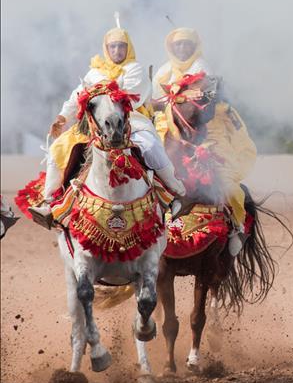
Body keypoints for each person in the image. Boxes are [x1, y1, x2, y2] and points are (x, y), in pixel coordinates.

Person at [28, 25, 184, 227]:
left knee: (150, 146)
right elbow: (78, 97)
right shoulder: (94, 72)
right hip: (95, 123)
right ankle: (50, 203)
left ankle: (175, 193)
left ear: (128, 48)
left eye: (121, 46)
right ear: (106, 48)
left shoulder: (135, 69)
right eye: (113, 47)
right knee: (58, 148)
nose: (117, 51)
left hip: (131, 120)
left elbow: (132, 98)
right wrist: (63, 117)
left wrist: (102, 93)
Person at [153, 27, 257, 256]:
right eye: (177, 44)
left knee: (225, 181)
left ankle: (237, 226)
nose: (182, 48)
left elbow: (199, 102)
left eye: (186, 44)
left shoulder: (202, 68)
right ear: (171, 47)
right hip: (164, 125)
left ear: (194, 46)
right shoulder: (162, 71)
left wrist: (173, 98)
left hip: (202, 130)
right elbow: (154, 102)